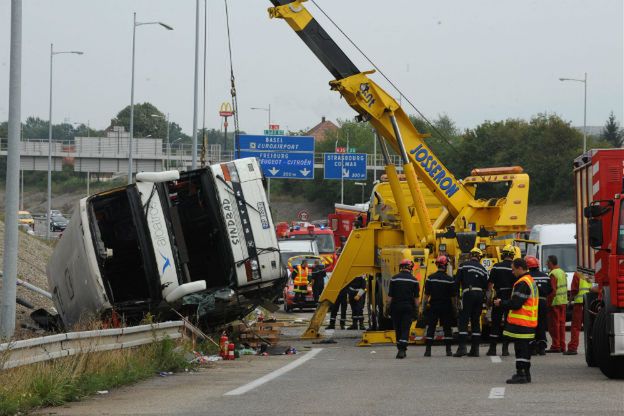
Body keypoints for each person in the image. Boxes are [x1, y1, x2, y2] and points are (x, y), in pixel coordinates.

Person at [494, 258, 538, 384]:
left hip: (522, 324)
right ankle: (525, 374)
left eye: (513, 270)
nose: (512, 272)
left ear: (520, 268)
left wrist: (501, 302)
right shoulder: (530, 281)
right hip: (529, 322)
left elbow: (516, 303)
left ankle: (521, 374)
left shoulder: (522, 283)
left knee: (521, 350)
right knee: (524, 350)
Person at [454, 247, 488, 357]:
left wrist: (457, 297)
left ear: (470, 255)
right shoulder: (483, 269)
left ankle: (462, 348)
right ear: (479, 257)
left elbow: (457, 282)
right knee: (475, 321)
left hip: (468, 293)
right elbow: (486, 286)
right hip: (479, 295)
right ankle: (475, 350)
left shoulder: (463, 265)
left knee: (464, 320)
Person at [486, 245, 516, 357]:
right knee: (508, 323)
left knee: (495, 323)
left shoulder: (496, 267)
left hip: (498, 296)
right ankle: (505, 349)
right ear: (512, 255)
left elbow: (490, 285)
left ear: (503, 255)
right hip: (510, 298)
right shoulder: (514, 268)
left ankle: (492, 349)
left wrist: (488, 299)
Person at [423, 255, 455, 357]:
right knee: (447, 328)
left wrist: (423, 307)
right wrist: (455, 308)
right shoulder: (450, 280)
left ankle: (428, 351)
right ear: (445, 265)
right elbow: (453, 297)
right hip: (446, 306)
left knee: (431, 327)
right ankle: (448, 350)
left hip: (434, 306)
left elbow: (426, 295)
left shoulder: (430, 278)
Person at [387, 259, 420, 359]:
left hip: (396, 307)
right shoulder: (414, 280)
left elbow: (390, 296)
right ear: (410, 268)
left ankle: (399, 348)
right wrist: (417, 309)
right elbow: (416, 298)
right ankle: (402, 350)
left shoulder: (394, 279)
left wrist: (387, 307)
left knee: (398, 328)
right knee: (405, 328)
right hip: (408, 307)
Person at [526, 255, 552, 356]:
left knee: (531, 325)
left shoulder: (527, 277)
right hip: (543, 302)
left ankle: (532, 347)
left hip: (531, 303)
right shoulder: (545, 276)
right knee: (541, 324)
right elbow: (550, 290)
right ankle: (542, 347)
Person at [565, 271, 592, 355]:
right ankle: (592, 348)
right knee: (590, 327)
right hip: (590, 303)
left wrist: (569, 301)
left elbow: (574, 290)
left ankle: (573, 348)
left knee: (576, 327)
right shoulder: (592, 273)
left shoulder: (577, 274)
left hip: (579, 303)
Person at [546, 255, 568, 353]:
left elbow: (553, 291)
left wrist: (548, 303)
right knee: (562, 325)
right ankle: (562, 346)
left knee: (554, 325)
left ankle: (556, 346)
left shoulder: (553, 274)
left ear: (551, 263)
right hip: (563, 301)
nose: (546, 264)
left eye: (547, 262)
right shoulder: (562, 272)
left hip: (555, 302)